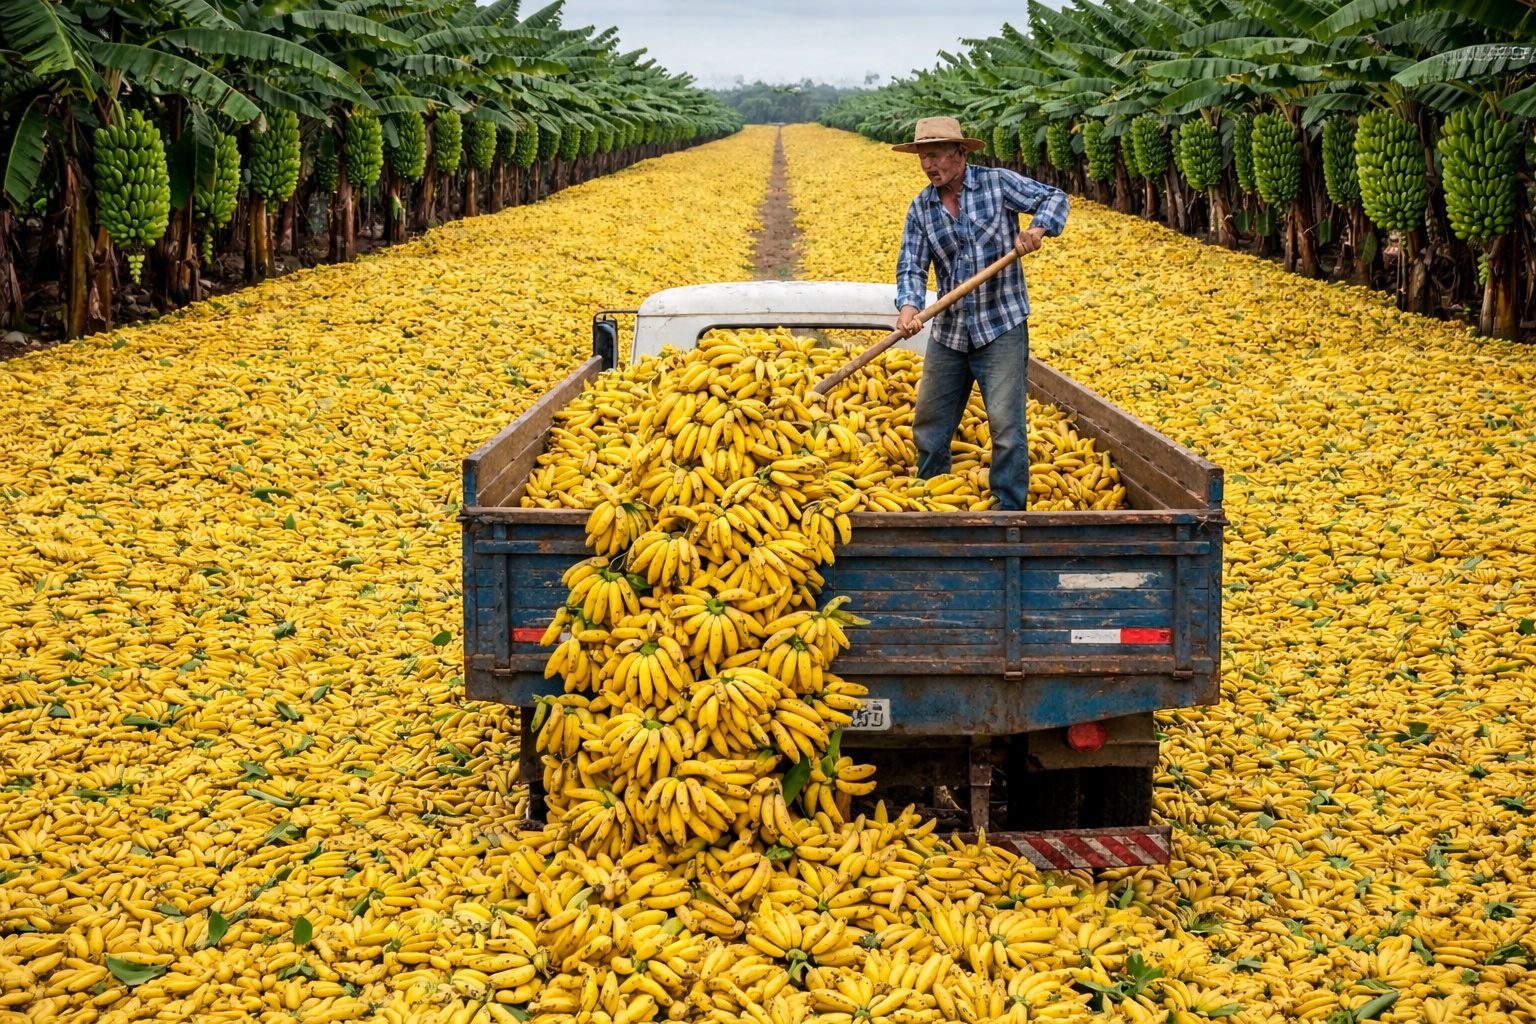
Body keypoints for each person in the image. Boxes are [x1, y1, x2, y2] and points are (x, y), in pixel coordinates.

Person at [892, 116, 1069, 511]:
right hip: (951, 332)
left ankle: (1009, 511)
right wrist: (908, 307)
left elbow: (1054, 197)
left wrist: (1037, 230)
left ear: (959, 154)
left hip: (1000, 325)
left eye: (935, 155)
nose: (927, 165)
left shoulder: (997, 184)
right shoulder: (921, 208)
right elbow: (911, 266)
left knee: (1006, 429)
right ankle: (931, 501)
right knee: (930, 424)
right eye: (922, 157)